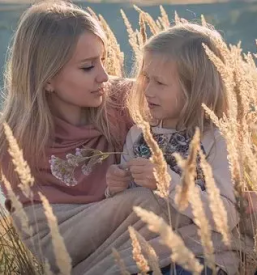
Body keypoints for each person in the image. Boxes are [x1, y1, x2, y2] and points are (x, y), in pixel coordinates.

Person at [0, 1, 170, 275]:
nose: (104, 76)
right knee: (147, 204)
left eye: (103, 61)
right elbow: (37, 233)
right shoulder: (14, 138)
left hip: (129, 224)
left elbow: (185, 142)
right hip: (62, 234)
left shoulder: (122, 101)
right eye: (88, 67)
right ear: (47, 77)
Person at [106, 23, 242, 274]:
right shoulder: (138, 136)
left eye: (159, 82)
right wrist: (114, 187)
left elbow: (226, 217)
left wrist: (166, 181)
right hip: (146, 254)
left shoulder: (213, 140)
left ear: (195, 89)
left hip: (199, 255)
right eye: (145, 78)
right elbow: (126, 211)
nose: (147, 90)